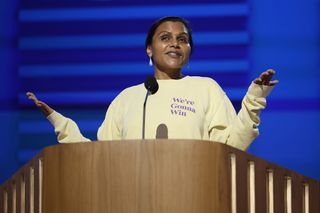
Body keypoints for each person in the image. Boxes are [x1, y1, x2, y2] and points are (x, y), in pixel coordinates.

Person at [27, 16, 278, 151]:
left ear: (189, 50)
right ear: (150, 49)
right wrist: (61, 124)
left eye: (182, 39)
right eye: (165, 37)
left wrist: (254, 99)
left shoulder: (206, 88)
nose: (174, 43)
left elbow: (230, 148)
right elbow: (100, 159)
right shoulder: (127, 98)